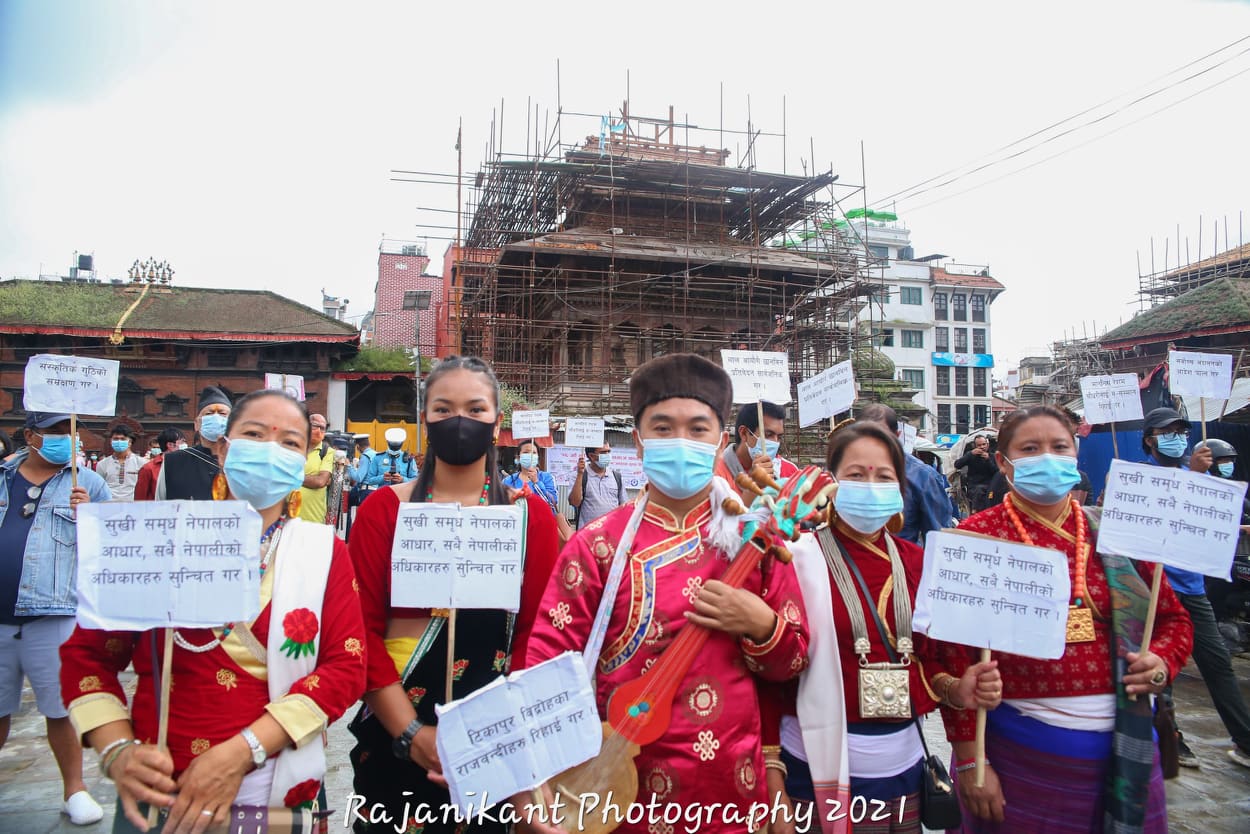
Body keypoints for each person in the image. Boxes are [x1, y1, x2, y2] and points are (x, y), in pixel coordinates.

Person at [524, 353, 810, 832]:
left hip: (733, 791)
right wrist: (534, 776)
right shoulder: (595, 545)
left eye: (698, 429)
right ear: (638, 443)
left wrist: (760, 624)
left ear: (721, 440)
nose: (681, 441)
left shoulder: (755, 540)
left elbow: (793, 664)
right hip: (617, 789)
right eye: (662, 428)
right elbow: (546, 666)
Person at [60, 390, 367, 833]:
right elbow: (86, 657)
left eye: (289, 443)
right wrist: (118, 752)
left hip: (278, 789)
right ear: (223, 449)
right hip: (161, 790)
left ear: (304, 462)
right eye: (254, 434)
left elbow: (347, 666)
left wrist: (241, 752)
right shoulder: (152, 543)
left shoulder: (324, 552)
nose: (268, 451)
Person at [937, 405, 1193, 832]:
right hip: (1016, 752)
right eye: (1031, 449)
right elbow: (950, 657)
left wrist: (1162, 661)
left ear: (1075, 454)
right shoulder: (974, 539)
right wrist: (969, 762)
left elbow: (1172, 620)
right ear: (1004, 462)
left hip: (1124, 751)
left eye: (1059, 447)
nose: (1048, 457)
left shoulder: (1118, 535)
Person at [346, 356, 559, 834]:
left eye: (475, 409)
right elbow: (360, 632)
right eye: (443, 409)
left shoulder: (531, 519)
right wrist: (411, 734)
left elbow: (536, 635)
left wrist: (506, 734)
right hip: (396, 732)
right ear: (424, 419)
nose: (459, 421)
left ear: (496, 423)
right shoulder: (385, 510)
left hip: (497, 740)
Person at [765, 421, 1000, 833]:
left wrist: (957, 690)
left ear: (900, 488)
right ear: (833, 482)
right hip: (811, 767)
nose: (870, 485)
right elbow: (771, 674)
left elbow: (933, 659)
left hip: (902, 773)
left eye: (884, 476)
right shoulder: (796, 558)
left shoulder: (919, 563)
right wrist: (771, 778)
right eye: (856, 475)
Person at [2, 411, 111, 826]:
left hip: (53, 612)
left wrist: (91, 518)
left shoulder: (89, 483)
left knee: (60, 709)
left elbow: (110, 548)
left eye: (69, 431)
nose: (63, 439)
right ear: (30, 436)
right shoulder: (3, 476)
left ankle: (74, 789)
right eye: (51, 432)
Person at [1142, 406, 1250, 769]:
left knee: (1217, 664)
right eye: (1167, 432)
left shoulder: (1200, 475)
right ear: (1150, 440)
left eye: (1181, 431)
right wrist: (1195, 477)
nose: (1177, 438)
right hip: (1156, 589)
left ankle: (1245, 738)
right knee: (1163, 668)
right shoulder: (1138, 480)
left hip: (1193, 588)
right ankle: (1172, 738)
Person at [859, 404, 949, 544]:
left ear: (896, 435)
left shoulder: (922, 477)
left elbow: (938, 538)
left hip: (900, 561)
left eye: (880, 435)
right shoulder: (841, 472)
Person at [155, 387, 232, 500]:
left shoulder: (244, 461)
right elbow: (160, 503)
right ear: (196, 424)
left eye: (222, 413)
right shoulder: (173, 461)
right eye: (209, 413)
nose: (216, 417)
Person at [715, 401, 799, 496]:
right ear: (744, 433)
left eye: (779, 437)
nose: (775, 442)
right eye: (768, 435)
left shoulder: (789, 471)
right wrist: (754, 486)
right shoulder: (716, 473)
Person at [569, 444, 627, 529]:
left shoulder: (616, 477)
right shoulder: (579, 476)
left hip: (611, 533)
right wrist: (580, 474)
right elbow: (574, 502)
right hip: (587, 535)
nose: (607, 455)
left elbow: (624, 507)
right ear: (591, 456)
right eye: (603, 452)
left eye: (609, 451)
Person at [297, 413, 334, 524]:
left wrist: (290, 476)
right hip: (287, 518)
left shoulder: (327, 452)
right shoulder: (293, 447)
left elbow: (320, 481)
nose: (318, 431)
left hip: (314, 520)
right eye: (314, 426)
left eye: (322, 428)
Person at [502, 439, 558, 511]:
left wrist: (536, 482)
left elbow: (552, 503)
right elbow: (502, 505)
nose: (530, 456)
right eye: (526, 452)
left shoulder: (547, 478)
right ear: (518, 458)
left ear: (538, 457)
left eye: (534, 453)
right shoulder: (508, 481)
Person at [94, 425, 144, 502]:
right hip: (109, 506)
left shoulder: (141, 462)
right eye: (116, 439)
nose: (119, 441)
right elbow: (99, 488)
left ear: (130, 442)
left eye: (123, 439)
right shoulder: (102, 464)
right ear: (111, 441)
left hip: (133, 506)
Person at [133, 428, 185, 502]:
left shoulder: (185, 466)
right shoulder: (148, 468)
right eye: (182, 442)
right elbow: (139, 499)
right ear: (170, 445)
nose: (185, 445)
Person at [954, 435, 998, 513]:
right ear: (975, 446)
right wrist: (970, 454)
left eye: (984, 444)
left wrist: (988, 460)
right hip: (974, 486)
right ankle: (975, 511)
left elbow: (996, 472)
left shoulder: (992, 456)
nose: (982, 447)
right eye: (979, 445)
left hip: (990, 486)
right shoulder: (971, 456)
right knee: (979, 490)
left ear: (987, 445)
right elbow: (957, 465)